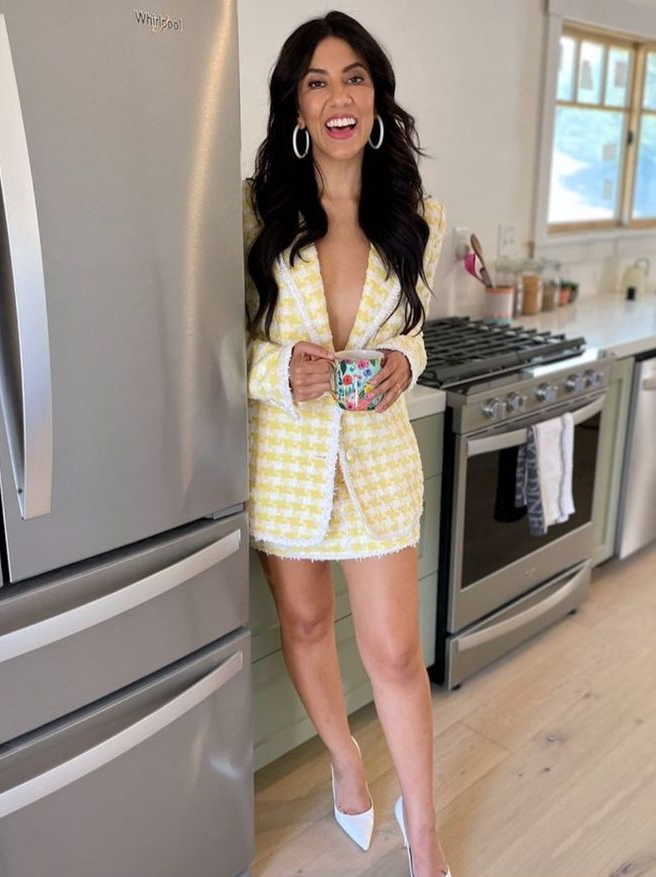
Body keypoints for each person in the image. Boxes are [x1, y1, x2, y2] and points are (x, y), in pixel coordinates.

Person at [243, 11, 450, 877]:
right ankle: (344, 760)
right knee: (304, 621)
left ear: (377, 98)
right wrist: (274, 371)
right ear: (296, 101)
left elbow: (416, 330)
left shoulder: (417, 213)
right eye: (319, 80)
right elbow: (220, 346)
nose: (339, 96)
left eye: (356, 77)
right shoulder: (254, 212)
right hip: (287, 464)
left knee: (398, 653)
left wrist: (404, 360)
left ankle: (425, 834)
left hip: (376, 461)